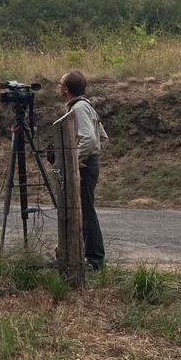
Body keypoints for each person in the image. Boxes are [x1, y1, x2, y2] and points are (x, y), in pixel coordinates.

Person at [59, 70, 109, 271]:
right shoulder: (86, 106)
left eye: (60, 84)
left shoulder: (78, 108)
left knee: (86, 212)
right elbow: (102, 136)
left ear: (66, 89)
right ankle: (83, 255)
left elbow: (89, 139)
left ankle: (94, 260)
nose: (59, 87)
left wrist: (77, 158)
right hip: (90, 163)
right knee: (83, 211)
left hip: (85, 166)